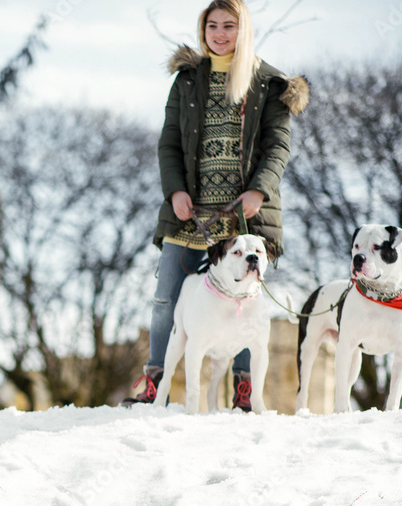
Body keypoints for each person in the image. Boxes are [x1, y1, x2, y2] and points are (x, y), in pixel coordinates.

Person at [123, 0, 308, 408]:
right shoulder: (187, 80)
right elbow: (169, 141)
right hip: (191, 215)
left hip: (246, 217)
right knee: (167, 298)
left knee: (243, 300)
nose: (220, 34)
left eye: (230, 26)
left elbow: (278, 145)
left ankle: (243, 390)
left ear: (244, 31)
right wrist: (175, 192)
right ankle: (156, 383)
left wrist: (260, 189)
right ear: (202, 29)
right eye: (212, 26)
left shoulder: (270, 83)